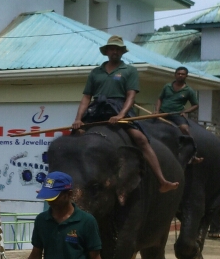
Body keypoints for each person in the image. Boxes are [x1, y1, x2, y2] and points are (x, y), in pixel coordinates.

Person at [72, 35, 180, 192]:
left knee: (140, 138)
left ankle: (162, 180)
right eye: (112, 48)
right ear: (107, 51)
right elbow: (86, 97)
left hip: (119, 106)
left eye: (118, 49)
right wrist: (78, 119)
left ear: (122, 52)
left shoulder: (129, 70)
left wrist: (121, 114)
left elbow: (131, 95)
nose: (114, 51)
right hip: (97, 108)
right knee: (74, 135)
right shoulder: (96, 72)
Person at [155, 66, 199, 139]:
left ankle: (191, 144)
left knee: (185, 129)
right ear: (175, 75)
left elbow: (196, 105)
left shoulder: (189, 90)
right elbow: (160, 99)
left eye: (182, 74)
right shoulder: (167, 86)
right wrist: (156, 111)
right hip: (162, 112)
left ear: (186, 76)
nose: (180, 75)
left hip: (176, 114)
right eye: (178, 74)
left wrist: (185, 111)